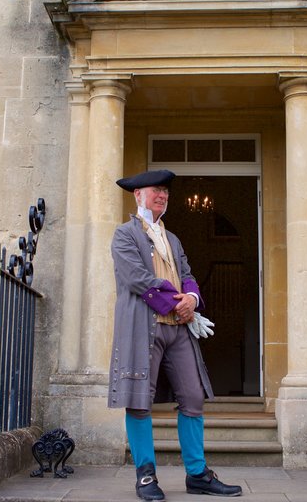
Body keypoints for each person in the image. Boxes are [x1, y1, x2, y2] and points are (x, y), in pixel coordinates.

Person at [108, 169, 243, 500]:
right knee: (140, 402)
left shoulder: (173, 238)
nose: (162, 196)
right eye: (156, 191)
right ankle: (145, 476)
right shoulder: (124, 235)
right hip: (144, 327)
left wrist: (192, 299)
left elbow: (188, 274)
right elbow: (137, 279)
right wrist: (178, 302)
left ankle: (197, 474)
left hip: (178, 330)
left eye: (165, 192)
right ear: (137, 195)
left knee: (193, 397)